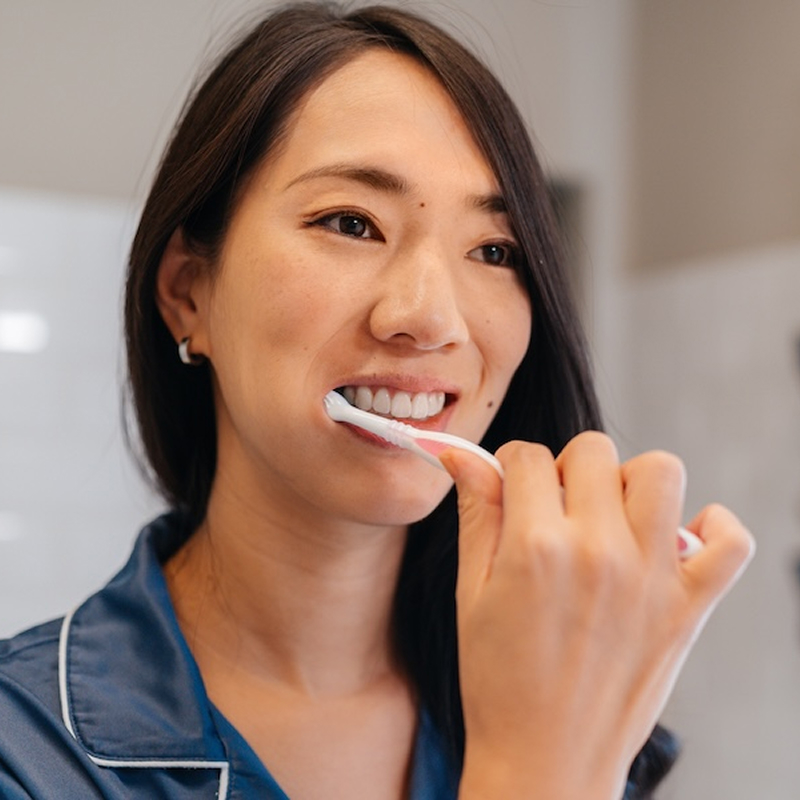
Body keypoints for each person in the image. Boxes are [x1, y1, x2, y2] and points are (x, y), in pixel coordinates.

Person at [0, 3, 753, 798]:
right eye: (352, 223)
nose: (430, 319)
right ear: (189, 293)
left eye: (495, 251)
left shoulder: (571, 707)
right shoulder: (26, 755)